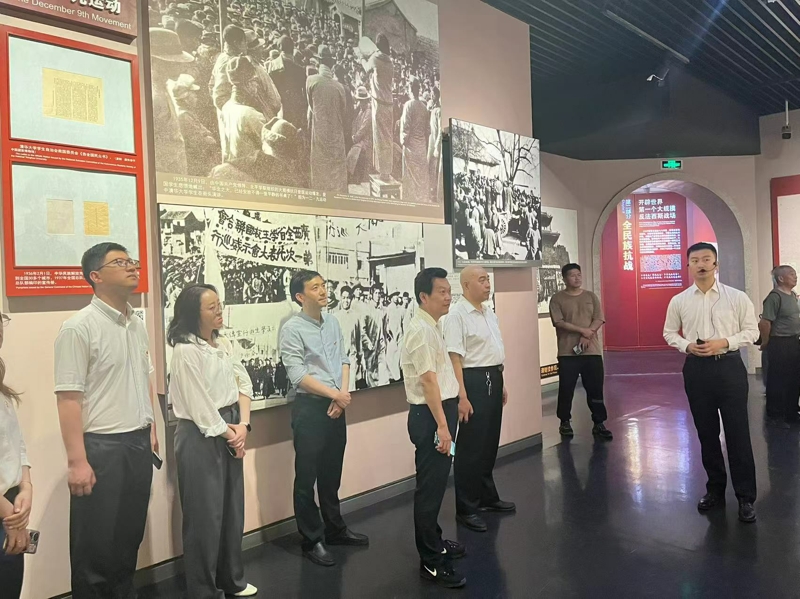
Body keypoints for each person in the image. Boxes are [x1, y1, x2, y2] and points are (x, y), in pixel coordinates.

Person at [54, 243, 160, 598]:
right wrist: (77, 461)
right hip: (102, 447)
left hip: (138, 442)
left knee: (128, 539)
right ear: (96, 276)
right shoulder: (78, 328)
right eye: (120, 262)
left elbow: (144, 378)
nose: (131, 267)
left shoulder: (136, 323)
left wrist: (151, 428)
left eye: (131, 261)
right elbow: (68, 398)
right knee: (94, 547)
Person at [168, 284, 257, 599]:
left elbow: (243, 383)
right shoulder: (185, 351)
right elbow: (200, 408)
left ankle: (232, 579)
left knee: (232, 509)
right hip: (200, 434)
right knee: (204, 516)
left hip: (230, 426)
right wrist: (232, 435)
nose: (220, 311)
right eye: (212, 307)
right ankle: (204, 590)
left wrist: (243, 425)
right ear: (194, 314)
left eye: (220, 304)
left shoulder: (224, 344)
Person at [663, 242, 759, 522]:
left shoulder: (737, 297)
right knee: (706, 432)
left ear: (716, 264)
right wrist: (687, 346)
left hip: (729, 367)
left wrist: (724, 342)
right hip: (696, 370)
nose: (701, 264)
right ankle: (715, 489)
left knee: (738, 432)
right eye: (695, 260)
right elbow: (669, 333)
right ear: (688, 266)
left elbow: (752, 332)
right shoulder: (679, 300)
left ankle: (745, 497)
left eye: (707, 259)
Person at [279, 270, 368, 567]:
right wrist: (335, 395)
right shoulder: (292, 329)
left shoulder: (332, 322)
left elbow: (344, 359)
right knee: (306, 477)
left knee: (332, 473)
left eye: (323, 285)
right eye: (315, 287)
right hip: (310, 408)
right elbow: (298, 375)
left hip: (336, 404)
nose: (323, 291)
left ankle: (335, 529)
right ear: (300, 296)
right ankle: (312, 539)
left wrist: (342, 395)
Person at [401, 268, 466, 589]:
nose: (448, 296)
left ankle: (436, 541)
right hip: (430, 417)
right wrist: (443, 426)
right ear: (423, 297)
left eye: (448, 291)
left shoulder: (433, 326)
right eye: (441, 291)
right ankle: (430, 561)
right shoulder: (421, 331)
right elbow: (428, 382)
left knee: (437, 485)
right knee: (429, 489)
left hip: (441, 413)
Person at [442, 266, 515, 534]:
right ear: (466, 285)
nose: (487, 284)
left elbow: (492, 351)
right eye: (482, 280)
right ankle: (466, 508)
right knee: (471, 447)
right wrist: (462, 395)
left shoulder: (488, 311)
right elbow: (454, 358)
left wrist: (501, 381)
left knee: (489, 442)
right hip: (472, 381)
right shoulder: (457, 315)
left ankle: (486, 496)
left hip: (492, 377)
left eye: (488, 279)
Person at [549, 263, 613, 440]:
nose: (577, 278)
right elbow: (558, 322)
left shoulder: (590, 296)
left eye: (579, 274)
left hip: (592, 351)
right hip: (567, 353)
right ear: (564, 279)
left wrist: (588, 334)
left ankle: (599, 423)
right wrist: (582, 331)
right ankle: (564, 422)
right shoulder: (557, 299)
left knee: (595, 389)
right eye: (572, 275)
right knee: (566, 389)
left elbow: (599, 318)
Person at [0, 313, 32, 599]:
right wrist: (10, 516)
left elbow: (16, 442)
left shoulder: (2, 389)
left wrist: (26, 487)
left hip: (10, 505)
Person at [758, 265, 800, 427]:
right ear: (781, 278)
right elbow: (765, 322)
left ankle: (791, 411)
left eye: (795, 274)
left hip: (794, 342)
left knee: (794, 378)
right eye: (791, 274)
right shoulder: (774, 297)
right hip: (779, 343)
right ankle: (775, 415)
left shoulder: (793, 295)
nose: (795, 277)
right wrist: (765, 342)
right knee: (778, 379)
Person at [150, 27, 194, 175]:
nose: (181, 66)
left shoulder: (163, 86)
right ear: (156, 61)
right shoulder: (154, 96)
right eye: (174, 62)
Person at [306, 45, 348, 193]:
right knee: (336, 170)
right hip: (335, 132)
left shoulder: (311, 80)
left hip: (319, 130)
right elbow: (343, 112)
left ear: (318, 62)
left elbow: (311, 106)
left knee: (320, 167)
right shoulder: (339, 87)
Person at [170, 74, 220, 177]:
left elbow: (206, 133)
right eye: (193, 94)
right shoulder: (184, 117)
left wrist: (207, 136)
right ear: (185, 98)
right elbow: (201, 142)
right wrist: (207, 137)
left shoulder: (188, 114)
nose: (196, 97)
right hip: (197, 165)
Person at [221, 56, 267, 162]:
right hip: (252, 168)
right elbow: (269, 148)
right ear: (248, 84)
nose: (257, 86)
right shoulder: (250, 115)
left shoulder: (226, 107)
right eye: (255, 81)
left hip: (235, 165)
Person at [361, 33, 394, 180]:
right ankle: (386, 170)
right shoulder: (390, 62)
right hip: (389, 104)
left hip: (379, 103)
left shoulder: (375, 58)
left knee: (380, 139)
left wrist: (362, 58)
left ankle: (382, 172)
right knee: (387, 138)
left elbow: (366, 68)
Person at [400, 79, 431, 203]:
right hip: (421, 146)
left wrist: (403, 141)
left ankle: (409, 200)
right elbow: (427, 130)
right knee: (421, 176)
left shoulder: (408, 105)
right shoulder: (424, 107)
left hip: (411, 146)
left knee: (410, 175)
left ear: (410, 90)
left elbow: (405, 127)